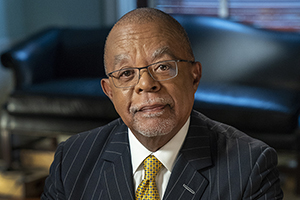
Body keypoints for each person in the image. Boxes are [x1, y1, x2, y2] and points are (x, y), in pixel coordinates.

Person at [42, 8, 283, 200]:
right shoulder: (72, 158)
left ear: (194, 76)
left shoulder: (250, 165)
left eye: (163, 67)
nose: (145, 84)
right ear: (109, 91)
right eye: (126, 73)